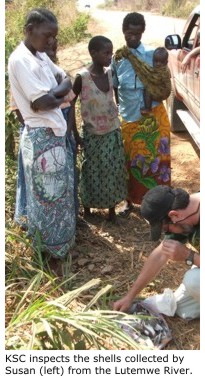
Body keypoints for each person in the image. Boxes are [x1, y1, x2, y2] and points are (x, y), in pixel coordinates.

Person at [8, 8, 76, 271]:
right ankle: (48, 257)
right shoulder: (20, 60)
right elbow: (40, 103)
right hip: (40, 139)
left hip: (53, 136)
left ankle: (60, 249)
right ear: (29, 29)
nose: (51, 42)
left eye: (54, 37)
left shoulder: (38, 57)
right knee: (46, 199)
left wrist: (54, 96)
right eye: (47, 35)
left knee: (58, 197)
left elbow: (66, 79)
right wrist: (57, 96)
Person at [112, 12, 171, 216]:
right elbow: (115, 87)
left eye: (137, 33)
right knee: (130, 160)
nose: (133, 38)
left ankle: (159, 203)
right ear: (124, 32)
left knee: (157, 160)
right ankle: (130, 201)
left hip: (154, 116)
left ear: (142, 32)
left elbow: (163, 81)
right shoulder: (118, 58)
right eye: (129, 33)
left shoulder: (153, 54)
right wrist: (118, 110)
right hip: (129, 116)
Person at [113, 185, 200, 320]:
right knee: (182, 308)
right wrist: (130, 297)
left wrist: (189, 256)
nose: (168, 234)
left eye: (166, 229)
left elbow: (190, 257)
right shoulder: (185, 216)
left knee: (193, 280)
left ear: (174, 215)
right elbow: (160, 255)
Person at [71, 35, 127, 223]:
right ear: (93, 53)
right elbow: (70, 104)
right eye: (106, 53)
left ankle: (111, 212)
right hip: (92, 134)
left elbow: (115, 96)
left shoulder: (110, 73)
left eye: (111, 52)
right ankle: (87, 209)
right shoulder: (82, 77)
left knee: (112, 169)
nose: (110, 56)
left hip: (112, 131)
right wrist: (76, 134)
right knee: (91, 171)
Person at [141, 47, 169, 115]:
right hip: (163, 90)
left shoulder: (162, 71)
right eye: (156, 61)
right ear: (152, 60)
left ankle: (148, 108)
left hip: (163, 92)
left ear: (166, 62)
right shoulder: (165, 69)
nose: (158, 64)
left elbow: (153, 80)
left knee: (147, 89)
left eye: (161, 62)